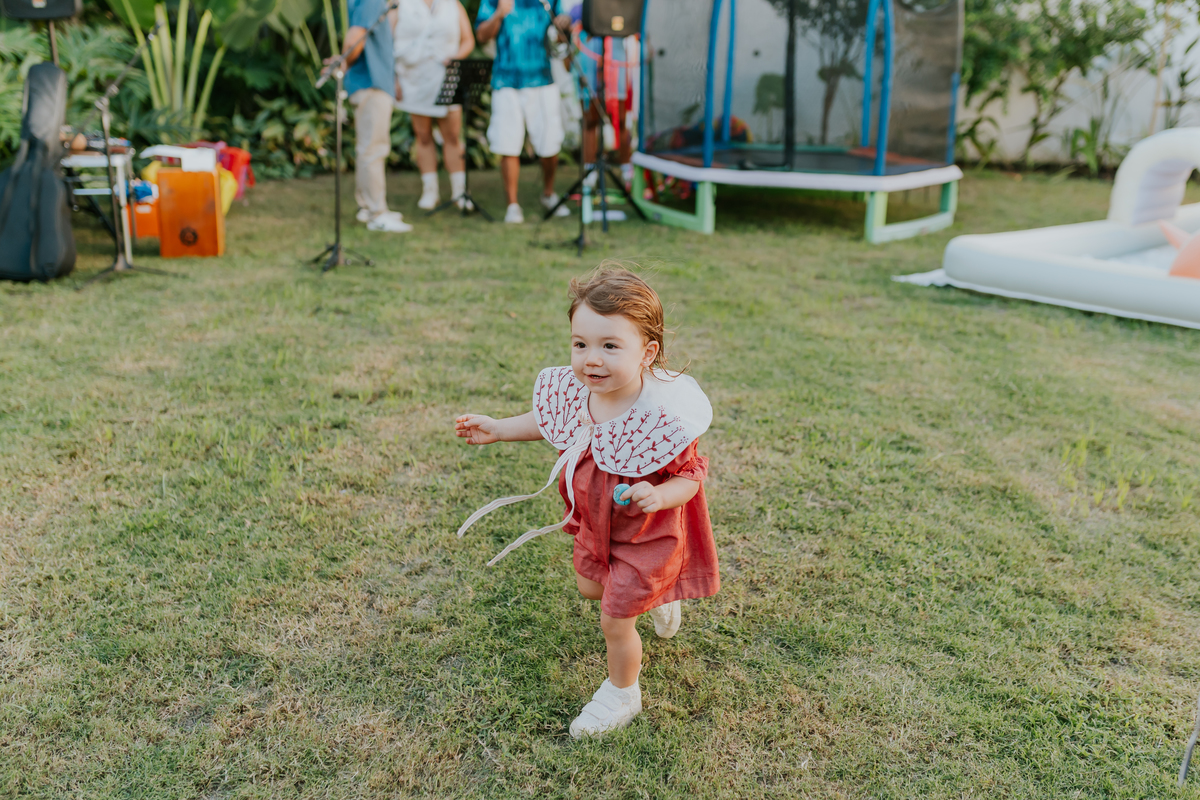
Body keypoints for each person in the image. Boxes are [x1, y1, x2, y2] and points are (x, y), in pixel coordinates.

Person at [454, 267, 719, 738]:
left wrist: (658, 495)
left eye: (610, 346)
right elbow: (546, 420)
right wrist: (498, 428)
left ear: (647, 352)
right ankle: (651, 598)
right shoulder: (581, 393)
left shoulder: (661, 416)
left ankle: (622, 693)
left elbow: (690, 478)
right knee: (590, 587)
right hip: (594, 522)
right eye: (580, 344)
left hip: (645, 534)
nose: (591, 360)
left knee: (614, 619)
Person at [474, 0, 573, 223]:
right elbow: (481, 36)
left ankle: (548, 194)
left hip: (542, 78)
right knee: (508, 144)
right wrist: (499, 13)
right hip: (506, 81)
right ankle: (512, 205)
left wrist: (563, 25)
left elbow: (562, 34)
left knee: (550, 142)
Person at [331, 0, 411, 233]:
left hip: (371, 83)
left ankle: (367, 207)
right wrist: (345, 64)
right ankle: (377, 213)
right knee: (374, 149)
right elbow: (356, 36)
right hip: (371, 84)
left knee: (367, 148)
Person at [392, 0, 476, 210]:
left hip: (447, 77)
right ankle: (430, 191)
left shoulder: (453, 4)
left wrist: (455, 57)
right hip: (414, 79)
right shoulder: (399, 4)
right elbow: (388, 42)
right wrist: (393, 79)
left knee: (453, 136)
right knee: (423, 136)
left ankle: (460, 191)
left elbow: (468, 40)